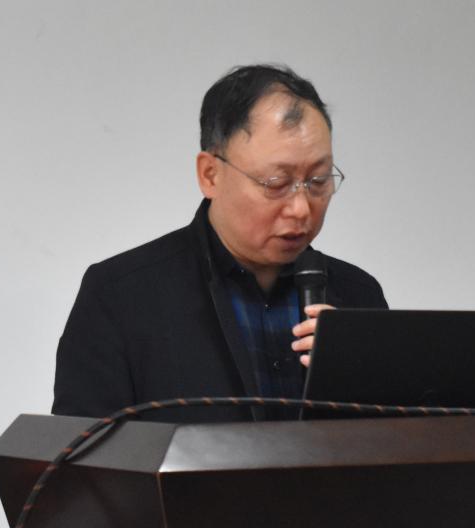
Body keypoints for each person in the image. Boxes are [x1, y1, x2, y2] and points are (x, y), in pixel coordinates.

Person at [53, 64, 387, 422]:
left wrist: (360, 378)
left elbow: (401, 444)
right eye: (277, 183)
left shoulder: (358, 296)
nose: (301, 208)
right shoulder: (121, 296)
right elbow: (81, 450)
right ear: (210, 174)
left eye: (318, 181)